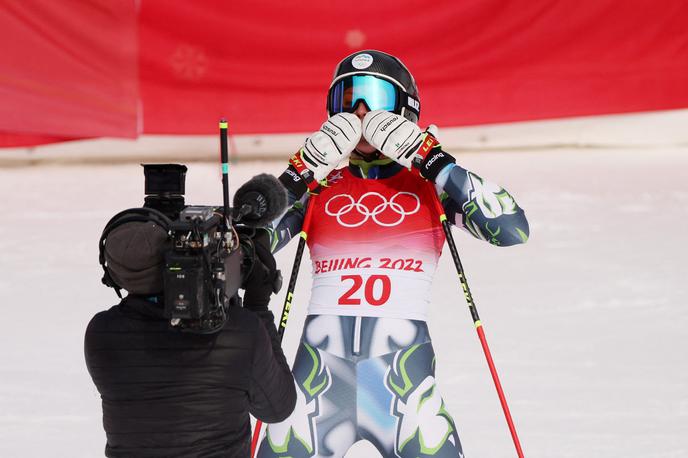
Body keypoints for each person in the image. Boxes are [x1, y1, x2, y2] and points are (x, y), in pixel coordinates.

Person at [257, 50, 529, 458]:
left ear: (405, 109)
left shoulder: (431, 188)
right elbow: (240, 248)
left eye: (375, 98)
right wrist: (299, 173)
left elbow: (512, 228)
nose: (361, 112)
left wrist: (433, 160)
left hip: (403, 396)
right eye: (345, 100)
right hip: (315, 393)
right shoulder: (318, 187)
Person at [85, 215, 296, 457]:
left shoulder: (100, 333)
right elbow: (278, 408)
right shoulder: (240, 333)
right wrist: (257, 307)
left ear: (113, 276)